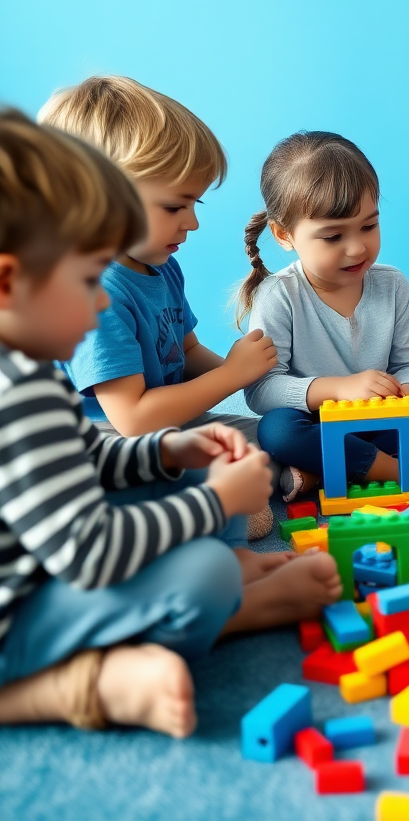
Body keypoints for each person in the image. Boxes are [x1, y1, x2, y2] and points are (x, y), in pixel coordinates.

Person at [0, 110, 272, 738]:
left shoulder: (28, 368)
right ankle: (74, 683)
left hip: (45, 563)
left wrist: (172, 452)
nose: (101, 300)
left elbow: (87, 456)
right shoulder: (19, 392)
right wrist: (210, 507)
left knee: (214, 471)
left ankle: (231, 570)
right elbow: (90, 549)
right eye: (90, 280)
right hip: (18, 613)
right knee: (204, 570)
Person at [40, 76, 277, 540]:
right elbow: (132, 418)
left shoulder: (159, 264)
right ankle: (209, 513)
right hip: (107, 442)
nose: (191, 222)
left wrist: (259, 374)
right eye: (175, 206)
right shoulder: (95, 292)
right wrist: (230, 377)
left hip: (169, 421)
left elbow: (184, 352)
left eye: (195, 202)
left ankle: (233, 495)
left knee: (269, 438)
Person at [240, 131, 409, 500]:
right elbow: (261, 390)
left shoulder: (393, 285)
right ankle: (394, 469)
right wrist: (337, 389)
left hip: (383, 421)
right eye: (333, 237)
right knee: (278, 431)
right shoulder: (279, 295)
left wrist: (408, 393)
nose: (357, 248)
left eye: (369, 226)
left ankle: (332, 470)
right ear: (284, 235)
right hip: (316, 424)